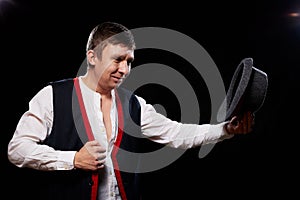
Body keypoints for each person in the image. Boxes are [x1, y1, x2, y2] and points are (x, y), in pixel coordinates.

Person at [7, 21, 254, 200]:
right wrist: (72, 159)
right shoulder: (52, 95)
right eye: (117, 59)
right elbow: (17, 150)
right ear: (92, 57)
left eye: (129, 62)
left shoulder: (133, 104)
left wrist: (225, 129)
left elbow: (177, 134)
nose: (124, 69)